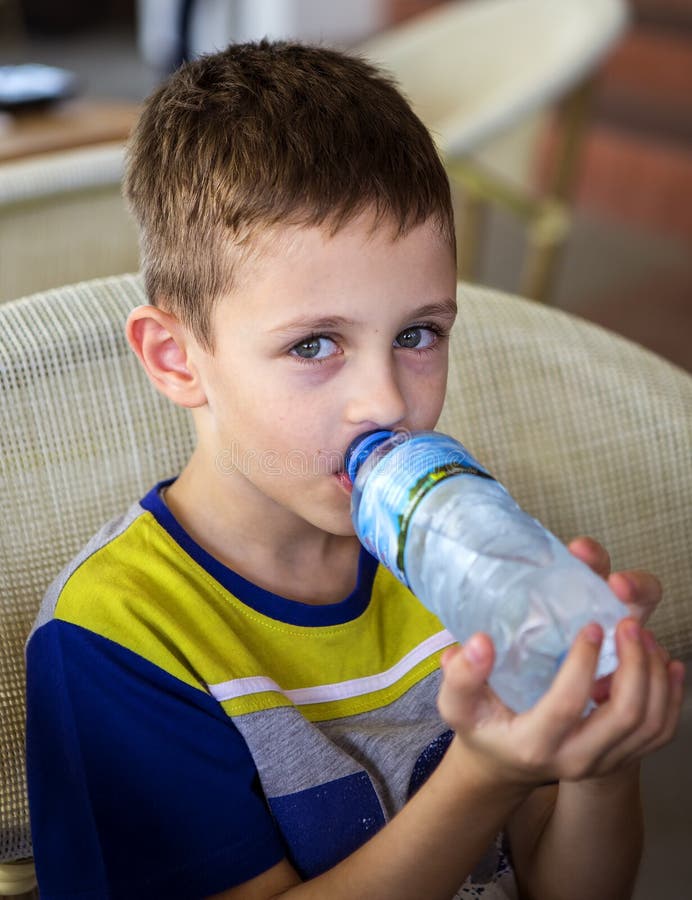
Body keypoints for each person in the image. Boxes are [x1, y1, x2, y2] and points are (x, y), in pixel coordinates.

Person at [25, 41, 685, 900]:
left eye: (418, 334)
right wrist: (482, 776)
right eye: (314, 345)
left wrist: (597, 754)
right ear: (177, 358)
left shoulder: (466, 559)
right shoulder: (116, 641)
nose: (385, 401)